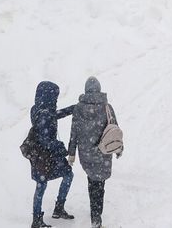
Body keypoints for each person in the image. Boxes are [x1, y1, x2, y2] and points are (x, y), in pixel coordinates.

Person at [68, 77, 122, 228]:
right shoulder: (107, 107)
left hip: (86, 154)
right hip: (103, 152)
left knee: (92, 182)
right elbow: (114, 129)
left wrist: (71, 153)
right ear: (98, 89)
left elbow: (74, 133)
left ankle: (95, 214)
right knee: (100, 184)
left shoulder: (78, 108)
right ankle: (96, 218)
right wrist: (119, 148)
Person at [29, 81, 76, 228]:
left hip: (43, 155)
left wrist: (72, 109)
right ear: (49, 95)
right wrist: (61, 148)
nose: (56, 98)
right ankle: (37, 219)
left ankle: (55, 210)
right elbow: (45, 140)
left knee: (64, 176)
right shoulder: (44, 113)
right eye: (55, 95)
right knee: (42, 184)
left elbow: (54, 115)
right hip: (45, 156)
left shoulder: (39, 109)